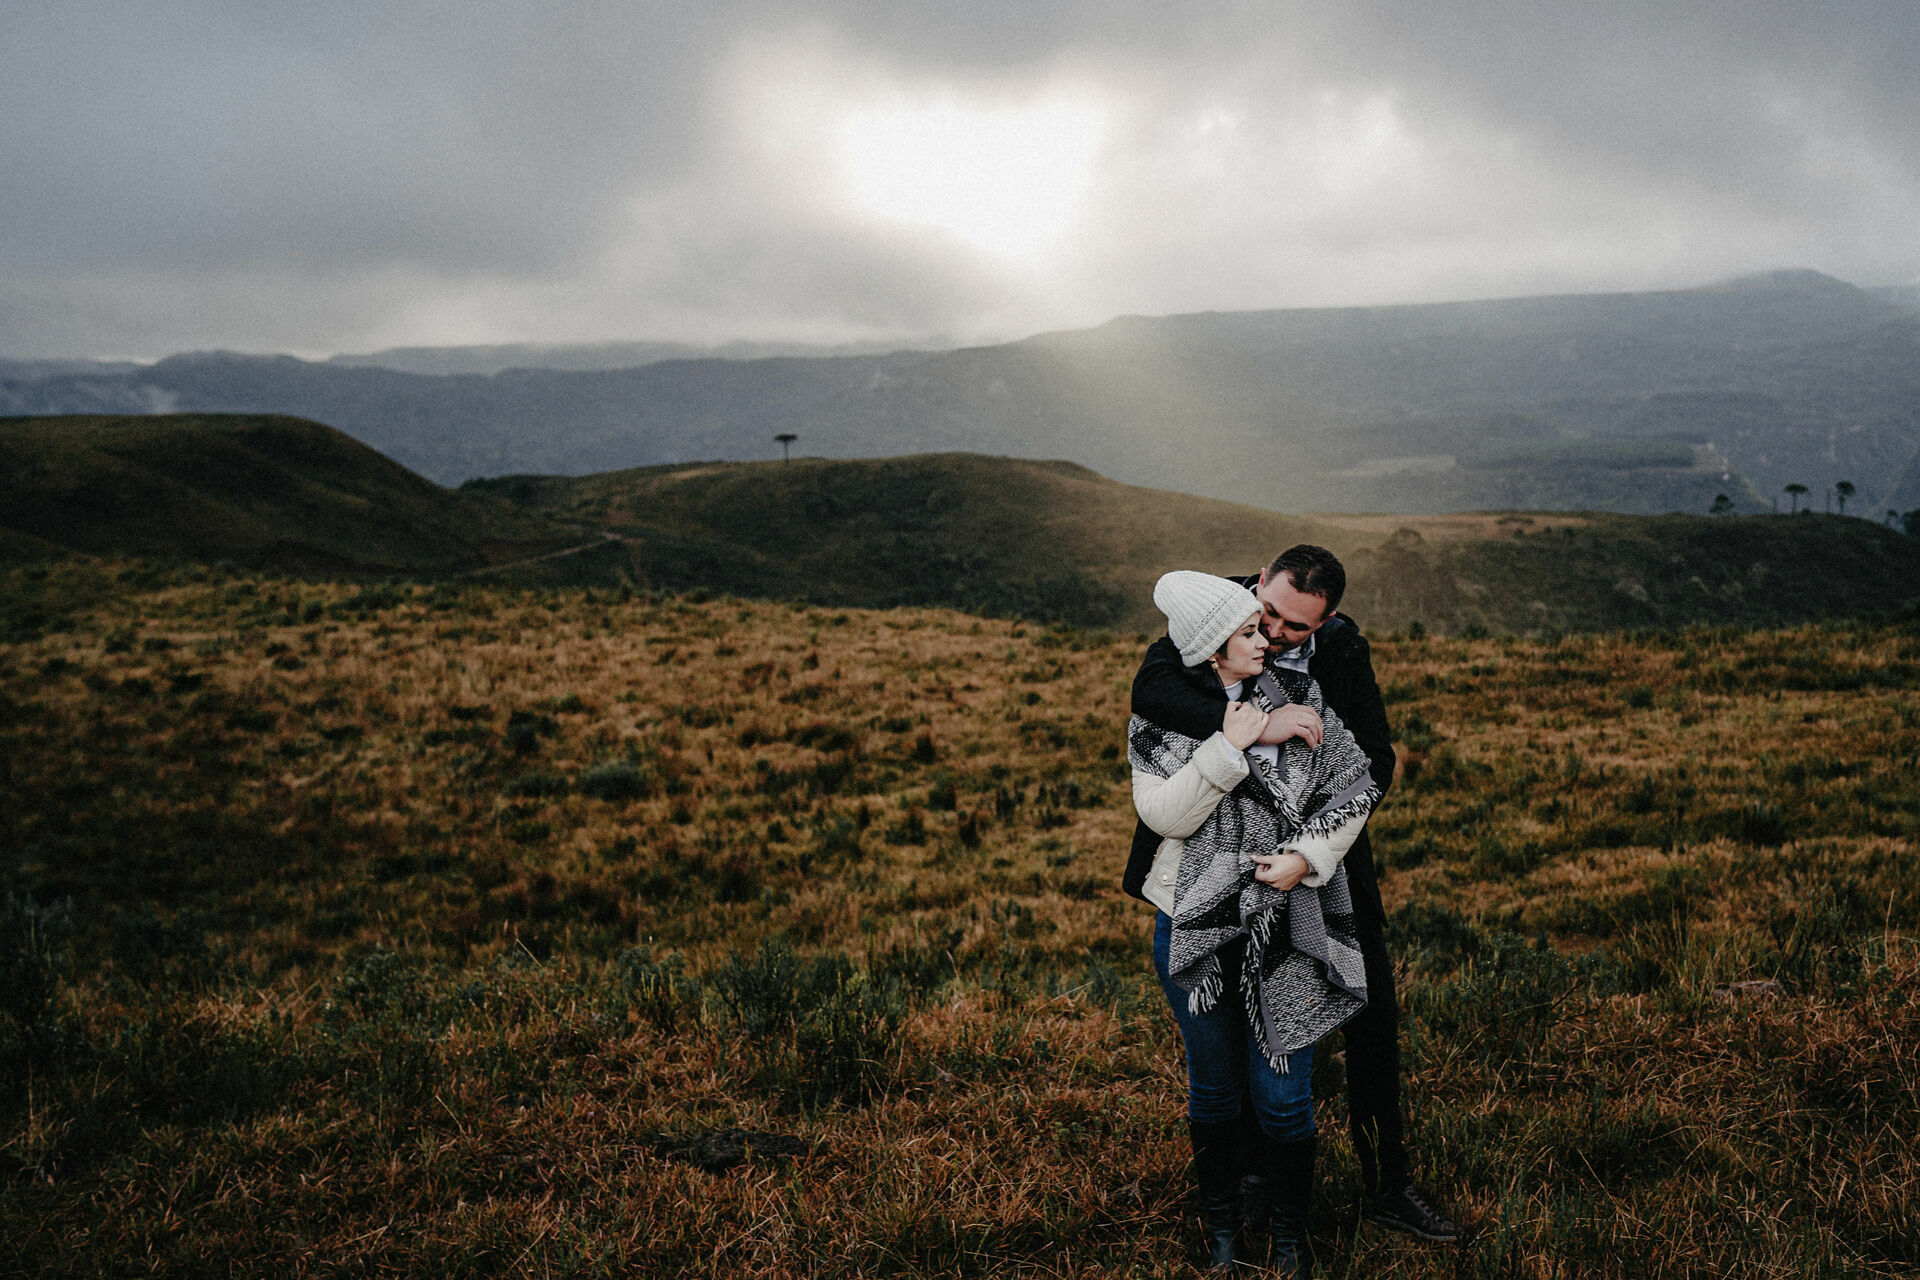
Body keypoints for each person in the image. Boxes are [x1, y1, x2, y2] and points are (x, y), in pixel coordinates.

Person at [1128, 546, 1461, 1245]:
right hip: (1210, 862)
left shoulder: (1340, 649)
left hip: (1322, 860)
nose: (1274, 633)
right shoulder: (1216, 613)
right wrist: (1249, 726)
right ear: (1257, 587)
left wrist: (1310, 850)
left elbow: (1374, 762)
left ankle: (1388, 1182)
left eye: (1293, 628)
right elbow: (1152, 692)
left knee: (1368, 1014)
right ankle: (1252, 1179)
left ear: (1326, 621)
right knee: (1237, 1024)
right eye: (1268, 613)